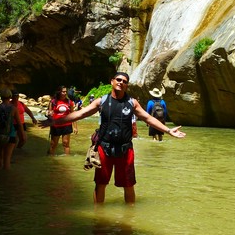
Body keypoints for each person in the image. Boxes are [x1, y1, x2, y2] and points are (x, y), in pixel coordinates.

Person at [59, 71, 186, 204]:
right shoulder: (101, 101)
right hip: (104, 147)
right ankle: (98, 219)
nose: (121, 82)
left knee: (129, 185)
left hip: (125, 150)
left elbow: (148, 118)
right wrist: (56, 121)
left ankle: (129, 219)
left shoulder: (132, 103)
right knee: (100, 184)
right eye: (119, 80)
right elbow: (80, 114)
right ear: (112, 81)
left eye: (125, 81)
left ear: (127, 86)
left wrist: (168, 130)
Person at [47, 86, 75, 156]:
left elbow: (73, 114)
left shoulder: (69, 102)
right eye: (63, 92)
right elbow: (49, 112)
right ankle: (50, 158)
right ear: (59, 92)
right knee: (53, 144)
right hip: (56, 125)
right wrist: (49, 115)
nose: (65, 93)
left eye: (66, 92)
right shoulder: (53, 101)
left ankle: (67, 160)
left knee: (66, 143)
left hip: (67, 125)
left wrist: (75, 127)